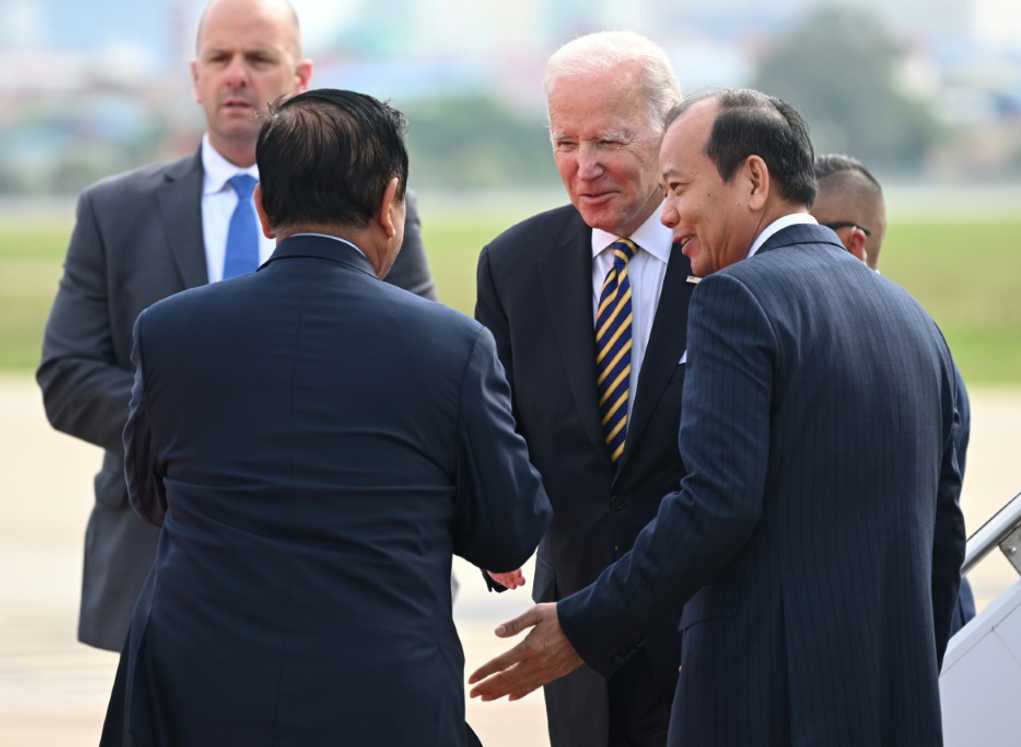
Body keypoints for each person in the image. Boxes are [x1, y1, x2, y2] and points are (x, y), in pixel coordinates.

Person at [470, 89, 967, 746]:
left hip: (765, 706)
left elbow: (716, 502)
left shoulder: (736, 299)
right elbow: (943, 538)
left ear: (754, 180)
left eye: (678, 187)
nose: (669, 214)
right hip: (890, 705)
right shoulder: (913, 320)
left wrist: (583, 623)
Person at [98, 88, 551, 747]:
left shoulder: (170, 332)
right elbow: (510, 532)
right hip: (379, 694)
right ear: (388, 203)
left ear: (261, 205)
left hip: (192, 691)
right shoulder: (449, 346)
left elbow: (151, 495)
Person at [36, 0, 435, 654]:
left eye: (259, 58)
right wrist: (205, 427)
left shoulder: (378, 206)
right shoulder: (114, 211)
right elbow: (67, 374)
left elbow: (415, 355)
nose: (237, 76)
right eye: (220, 59)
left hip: (328, 555)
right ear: (195, 76)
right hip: (158, 548)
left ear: (300, 74)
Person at [474, 31, 690, 747]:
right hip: (573, 630)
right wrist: (493, 523)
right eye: (565, 142)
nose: (584, 167)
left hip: (704, 625)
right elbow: (496, 428)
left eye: (608, 140)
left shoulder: (722, 257)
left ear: (670, 133)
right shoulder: (513, 265)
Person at [812, 153, 976, 634]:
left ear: (854, 242)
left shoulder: (896, 341)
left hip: (901, 623)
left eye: (805, 229)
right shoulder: (914, 328)